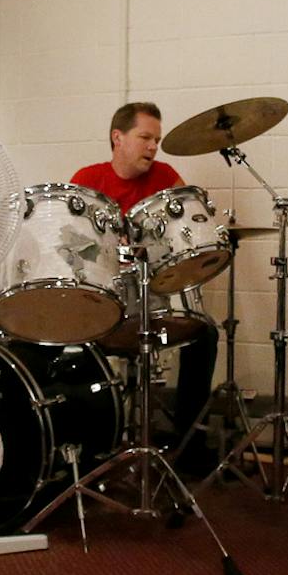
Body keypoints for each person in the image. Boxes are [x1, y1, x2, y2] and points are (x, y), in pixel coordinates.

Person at [72, 102, 220, 475]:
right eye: (145, 138)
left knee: (205, 334)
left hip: (154, 294)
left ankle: (190, 443)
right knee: (73, 341)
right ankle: (92, 443)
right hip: (105, 299)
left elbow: (183, 238)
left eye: (156, 139)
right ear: (117, 137)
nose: (153, 147)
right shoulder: (88, 180)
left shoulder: (166, 177)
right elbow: (72, 247)